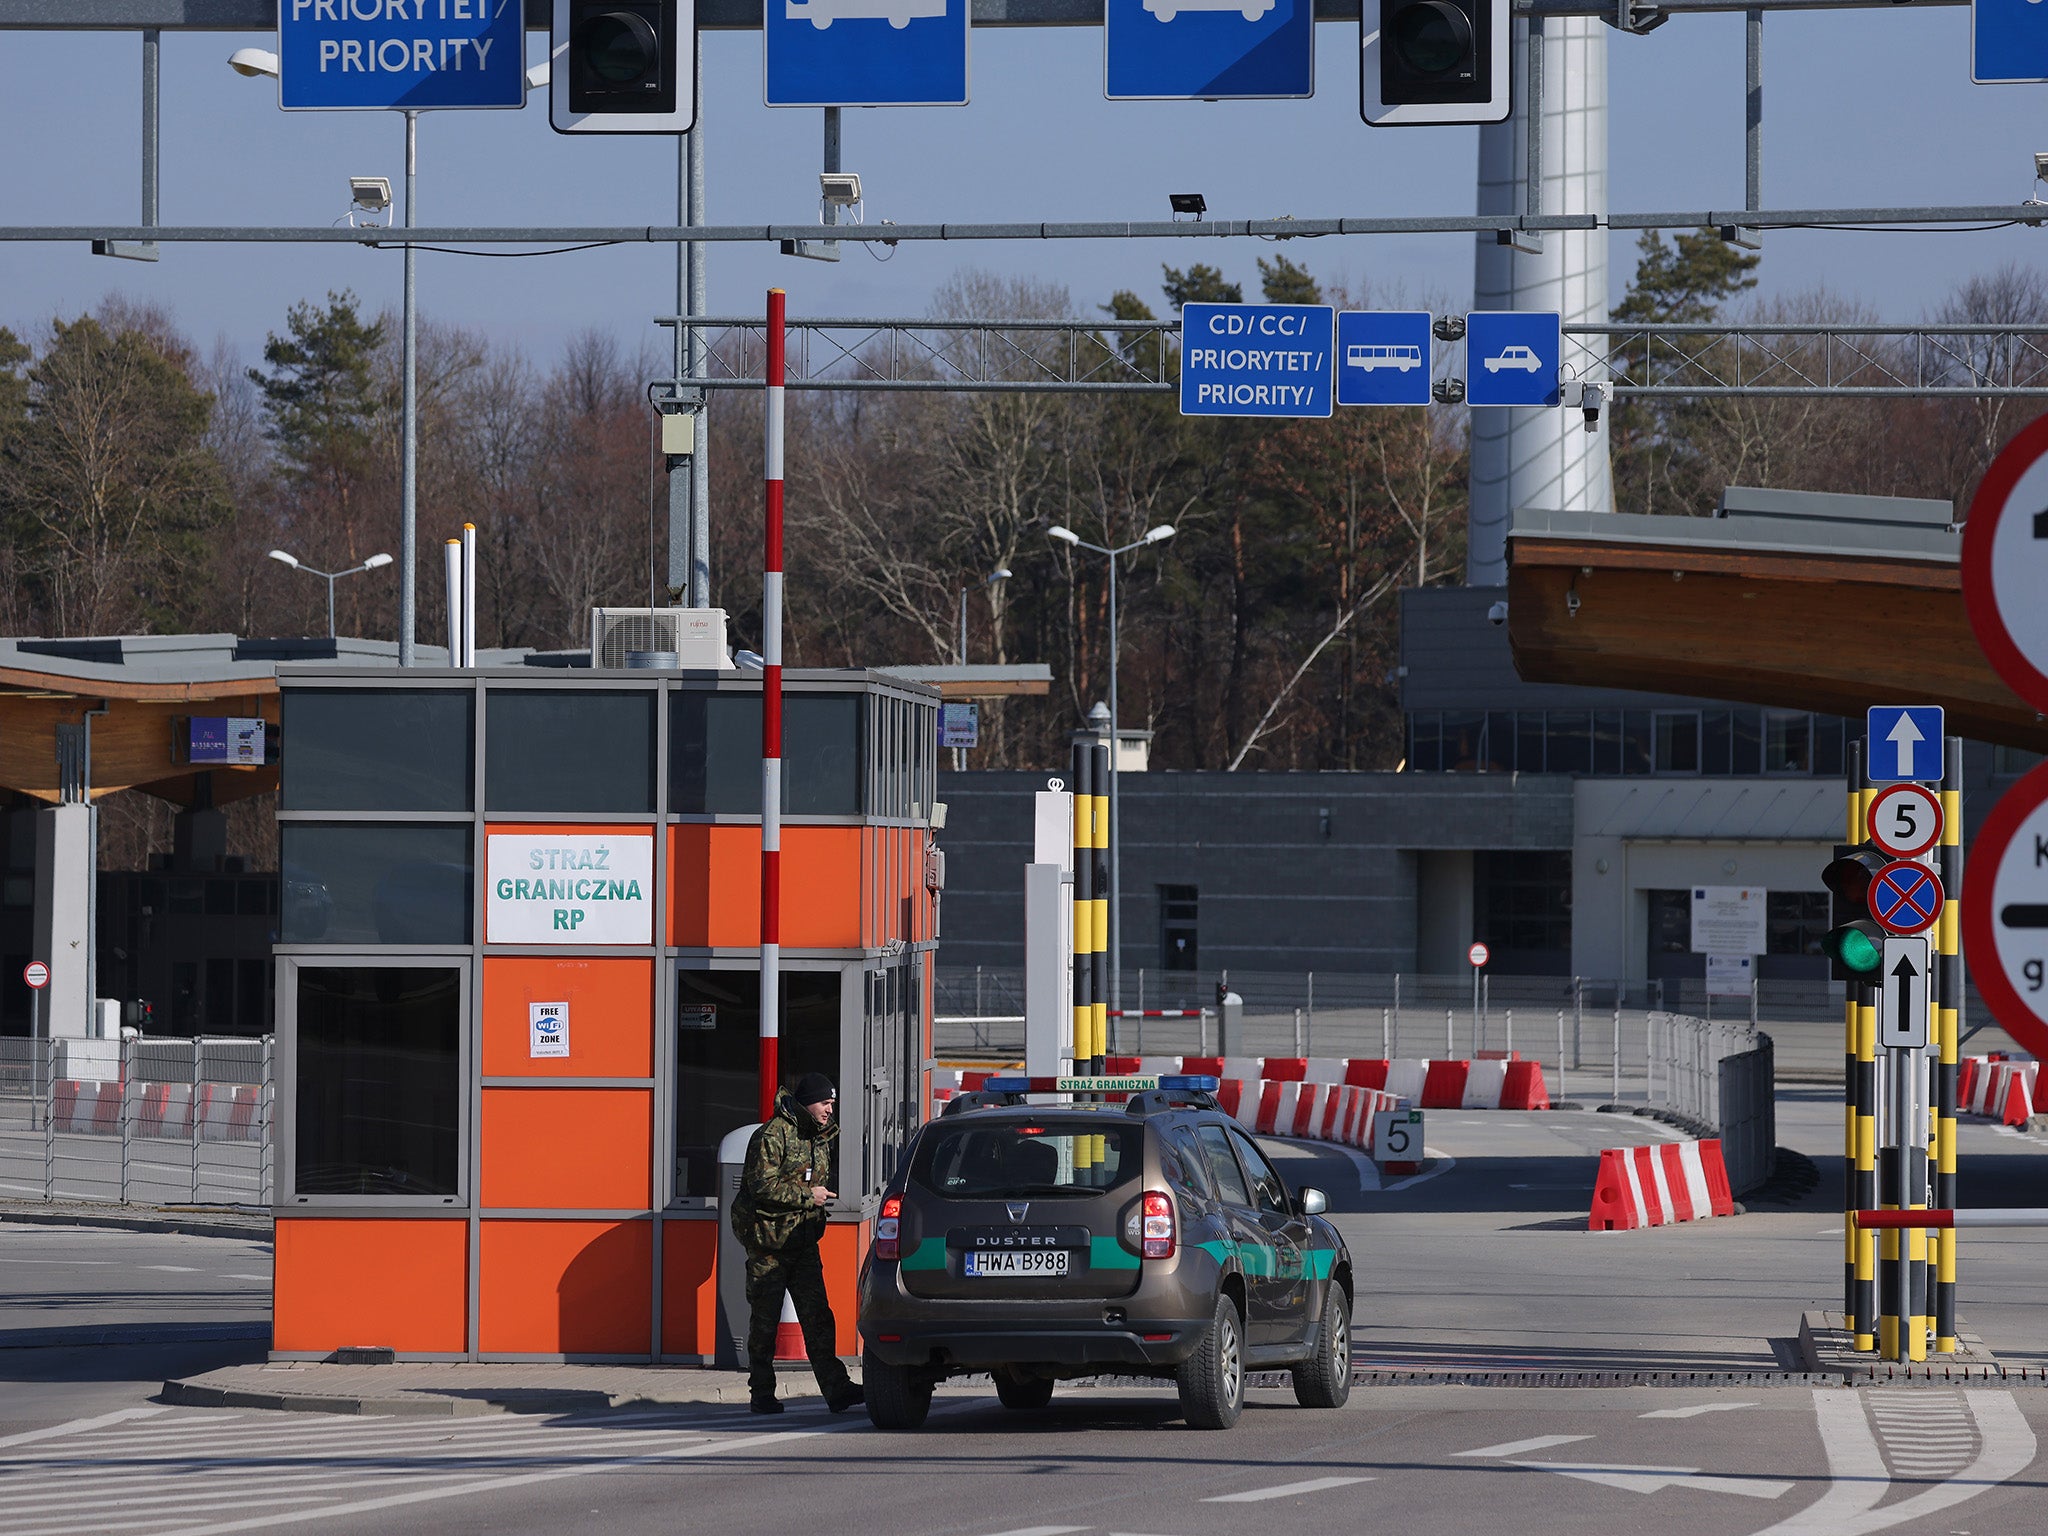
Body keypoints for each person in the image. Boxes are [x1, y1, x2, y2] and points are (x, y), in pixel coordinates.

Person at [731, 1071, 864, 1416]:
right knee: (764, 1322)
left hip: (803, 1243)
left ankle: (837, 1390)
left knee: (818, 1318)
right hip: (769, 1246)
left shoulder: (818, 1136)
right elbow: (761, 1186)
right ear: (807, 1103)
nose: (829, 1110)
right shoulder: (772, 1135)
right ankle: (761, 1393)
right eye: (825, 1103)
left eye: (832, 1104)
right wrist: (809, 1196)